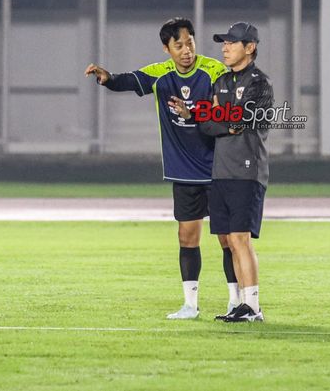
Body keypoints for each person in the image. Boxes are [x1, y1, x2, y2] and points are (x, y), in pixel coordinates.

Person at [84, 17, 241, 320]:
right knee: (187, 238)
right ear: (167, 48)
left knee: (227, 239)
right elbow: (129, 80)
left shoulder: (214, 72)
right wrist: (108, 77)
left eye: (190, 42)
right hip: (184, 172)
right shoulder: (161, 75)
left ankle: (236, 302)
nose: (186, 50)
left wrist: (193, 111)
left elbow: (227, 112)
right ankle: (190, 306)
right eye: (179, 45)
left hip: (218, 169)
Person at [169, 22, 273, 322]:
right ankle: (244, 305)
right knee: (229, 238)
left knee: (240, 238)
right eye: (223, 43)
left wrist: (221, 119)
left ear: (250, 47)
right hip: (221, 171)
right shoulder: (223, 82)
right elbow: (210, 122)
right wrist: (219, 119)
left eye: (231, 42)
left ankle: (252, 306)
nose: (225, 48)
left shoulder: (259, 83)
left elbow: (244, 120)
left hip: (246, 170)